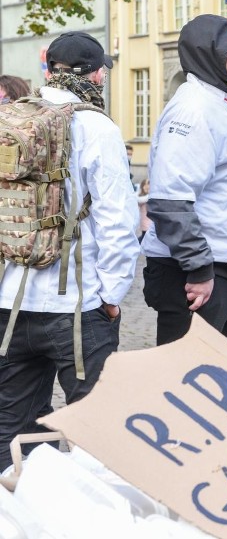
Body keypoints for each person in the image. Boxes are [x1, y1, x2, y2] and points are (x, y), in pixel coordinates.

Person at [0, 32, 140, 470]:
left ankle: (20, 518)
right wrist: (112, 294)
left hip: (10, 302)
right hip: (75, 306)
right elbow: (119, 220)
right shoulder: (96, 126)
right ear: (96, 74)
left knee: (14, 425)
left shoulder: (12, 119)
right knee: (95, 427)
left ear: (48, 70)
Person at [141, 14, 227, 350]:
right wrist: (198, 270)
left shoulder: (220, 107)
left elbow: (225, 190)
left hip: (224, 272)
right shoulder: (194, 110)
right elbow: (171, 200)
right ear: (210, 55)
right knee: (188, 392)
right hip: (198, 277)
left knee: (225, 391)